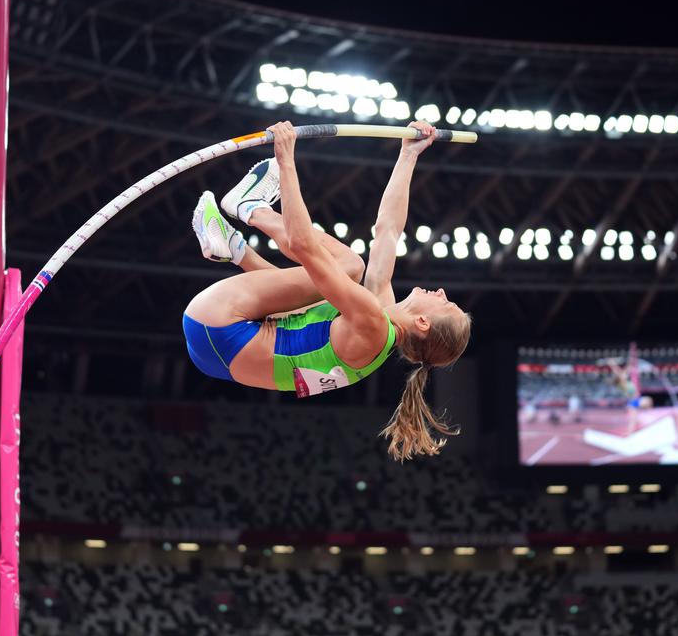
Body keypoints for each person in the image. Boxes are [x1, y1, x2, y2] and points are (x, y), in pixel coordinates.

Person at [182, 121, 471, 460]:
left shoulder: (372, 323)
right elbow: (388, 231)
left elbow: (304, 247)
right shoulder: (377, 324)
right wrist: (408, 155)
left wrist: (286, 161)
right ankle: (233, 248)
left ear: (422, 322)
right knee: (315, 303)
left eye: (445, 303)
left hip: (220, 324)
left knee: (349, 266)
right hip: (215, 350)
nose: (440, 291)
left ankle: (251, 207)